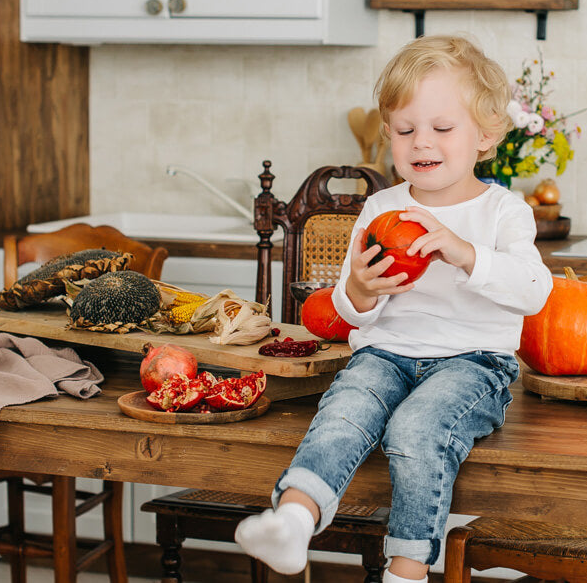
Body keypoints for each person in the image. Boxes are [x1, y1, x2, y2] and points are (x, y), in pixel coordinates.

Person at [234, 34, 553, 583]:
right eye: (406, 130)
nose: (421, 142)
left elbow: (533, 290)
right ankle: (293, 520)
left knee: (416, 429)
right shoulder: (382, 207)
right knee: (342, 412)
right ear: (388, 135)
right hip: (384, 356)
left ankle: (405, 572)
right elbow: (352, 313)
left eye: (442, 129)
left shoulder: (503, 211)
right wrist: (358, 287)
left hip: (473, 363)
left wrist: (464, 252)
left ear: (485, 135)